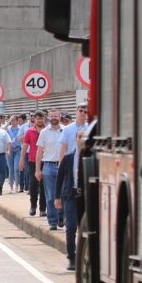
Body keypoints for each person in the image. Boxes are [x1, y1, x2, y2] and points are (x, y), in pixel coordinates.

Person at [54, 102, 89, 271]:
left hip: (86, 195)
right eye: (80, 110)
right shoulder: (68, 156)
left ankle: (85, 256)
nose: (83, 113)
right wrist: (57, 197)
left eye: (85, 110)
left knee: (86, 227)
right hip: (70, 193)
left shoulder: (90, 159)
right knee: (71, 226)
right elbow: (60, 175)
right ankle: (72, 257)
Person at [35, 110, 64, 230]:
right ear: (48, 117)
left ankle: (61, 217)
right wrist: (37, 170)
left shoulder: (65, 130)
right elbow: (39, 151)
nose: (54, 118)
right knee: (51, 195)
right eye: (51, 116)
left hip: (63, 166)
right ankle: (52, 220)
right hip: (48, 166)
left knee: (63, 194)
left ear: (60, 117)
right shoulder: (44, 132)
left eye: (56, 116)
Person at [21, 111, 46, 217]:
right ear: (34, 119)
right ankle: (33, 206)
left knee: (44, 186)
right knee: (33, 184)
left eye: (41, 118)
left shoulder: (48, 131)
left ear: (44, 119)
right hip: (32, 161)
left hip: (46, 161)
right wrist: (21, 160)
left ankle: (43, 209)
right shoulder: (29, 131)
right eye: (37, 118)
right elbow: (25, 147)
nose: (39, 120)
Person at [6, 115, 22, 193]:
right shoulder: (8, 129)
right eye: (12, 120)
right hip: (10, 149)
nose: (13, 122)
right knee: (11, 169)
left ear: (17, 121)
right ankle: (11, 186)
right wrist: (8, 122)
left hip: (18, 149)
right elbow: (2, 130)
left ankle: (17, 185)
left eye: (14, 120)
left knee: (16, 168)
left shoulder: (20, 128)